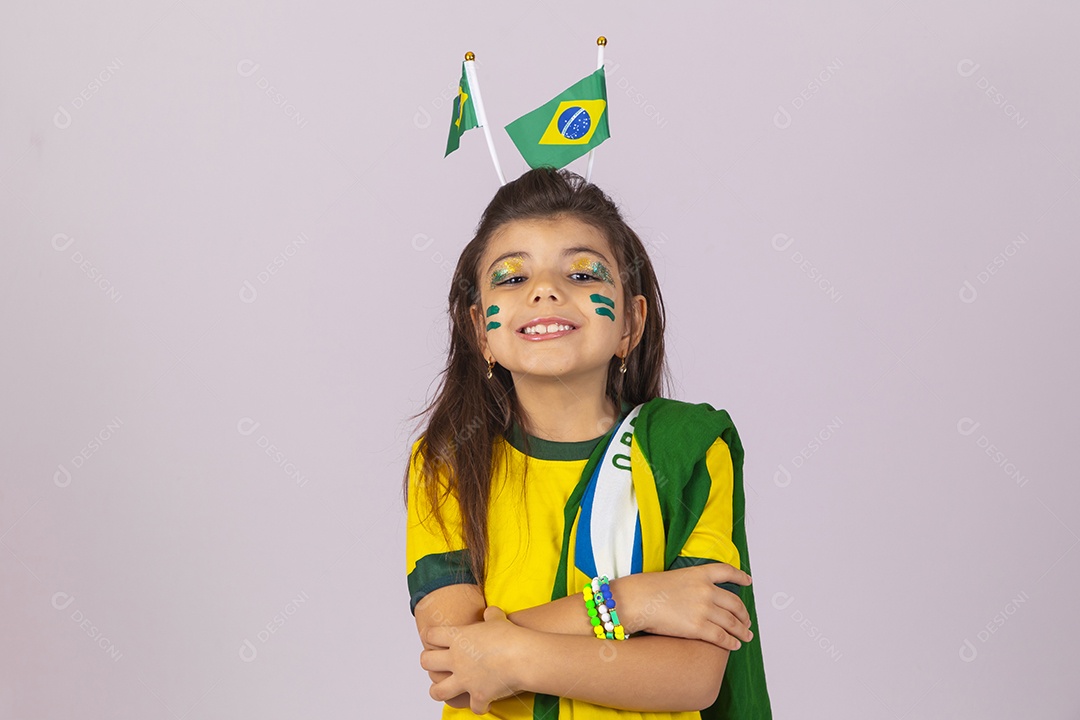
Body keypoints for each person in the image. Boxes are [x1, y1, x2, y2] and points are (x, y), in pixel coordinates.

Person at [404, 167, 772, 719]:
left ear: (630, 321)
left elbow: (693, 679)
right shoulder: (445, 461)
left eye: (583, 274)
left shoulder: (685, 451)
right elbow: (454, 667)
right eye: (510, 277)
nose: (545, 289)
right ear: (481, 330)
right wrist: (632, 603)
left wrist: (507, 650)